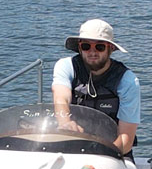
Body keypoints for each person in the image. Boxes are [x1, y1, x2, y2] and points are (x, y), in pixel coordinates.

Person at [51, 18, 141, 155]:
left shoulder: (127, 80)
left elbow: (125, 139)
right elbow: (60, 97)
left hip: (114, 152)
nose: (92, 52)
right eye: (86, 46)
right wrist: (65, 122)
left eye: (99, 47)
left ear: (110, 49)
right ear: (80, 47)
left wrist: (100, 155)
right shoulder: (65, 66)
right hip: (71, 147)